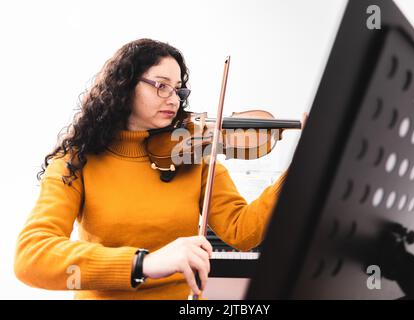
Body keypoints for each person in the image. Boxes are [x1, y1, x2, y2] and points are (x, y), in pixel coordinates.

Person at [14, 38, 307, 299]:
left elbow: (243, 231)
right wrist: (144, 263)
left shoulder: (193, 153)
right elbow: (31, 258)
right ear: (125, 86)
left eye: (178, 89)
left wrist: (303, 161)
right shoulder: (75, 161)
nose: (174, 98)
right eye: (161, 85)